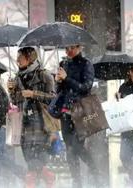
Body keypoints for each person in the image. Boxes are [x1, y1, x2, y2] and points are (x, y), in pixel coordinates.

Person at [7, 47, 56, 188]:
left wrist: (33, 93)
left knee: (35, 161)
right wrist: (11, 91)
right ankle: (48, 177)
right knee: (30, 159)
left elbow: (53, 98)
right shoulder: (17, 77)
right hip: (24, 123)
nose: (17, 61)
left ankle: (33, 183)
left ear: (29, 59)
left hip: (41, 123)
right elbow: (16, 101)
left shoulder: (44, 75)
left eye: (20, 58)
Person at [53, 45, 99, 188]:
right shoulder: (63, 64)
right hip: (66, 113)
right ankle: (76, 182)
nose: (68, 51)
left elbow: (86, 87)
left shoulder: (86, 64)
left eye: (72, 48)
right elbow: (59, 90)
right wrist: (58, 81)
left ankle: (95, 171)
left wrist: (67, 79)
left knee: (76, 148)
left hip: (82, 111)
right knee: (69, 149)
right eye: (66, 48)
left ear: (79, 47)